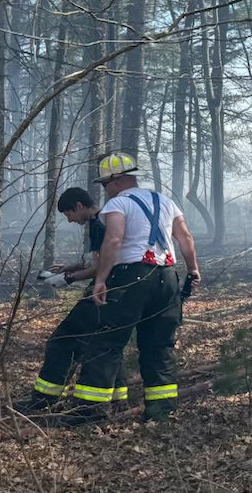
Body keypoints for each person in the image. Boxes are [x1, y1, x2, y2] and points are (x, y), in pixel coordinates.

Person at [65, 151, 201, 425]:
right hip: (168, 278)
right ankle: (162, 411)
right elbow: (185, 237)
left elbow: (113, 241)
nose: (104, 190)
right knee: (159, 347)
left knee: (106, 342)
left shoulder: (118, 205)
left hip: (131, 277)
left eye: (104, 184)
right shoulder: (165, 201)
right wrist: (193, 269)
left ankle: (90, 412)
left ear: (115, 180)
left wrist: (101, 279)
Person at [17, 187, 129, 413]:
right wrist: (66, 268)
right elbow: (94, 258)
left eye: (69, 214)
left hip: (103, 291)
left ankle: (44, 399)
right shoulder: (106, 220)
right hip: (120, 290)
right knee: (107, 345)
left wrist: (66, 279)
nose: (69, 220)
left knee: (63, 340)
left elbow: (98, 266)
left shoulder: (98, 224)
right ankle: (118, 399)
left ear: (79, 206)